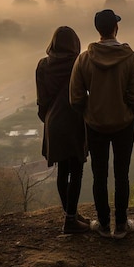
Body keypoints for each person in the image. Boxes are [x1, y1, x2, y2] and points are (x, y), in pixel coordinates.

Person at [69, 9, 134, 239]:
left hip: (95, 124)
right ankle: (121, 225)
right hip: (124, 124)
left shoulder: (84, 58)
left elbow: (76, 97)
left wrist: (90, 110)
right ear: (115, 28)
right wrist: (128, 110)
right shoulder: (130, 58)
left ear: (97, 29)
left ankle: (102, 223)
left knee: (99, 174)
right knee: (122, 174)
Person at [35, 26, 89, 234]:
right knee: (76, 171)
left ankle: (70, 214)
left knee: (62, 171)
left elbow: (42, 101)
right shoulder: (79, 63)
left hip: (53, 123)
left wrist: (49, 120)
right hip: (75, 120)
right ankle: (70, 219)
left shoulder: (42, 66)